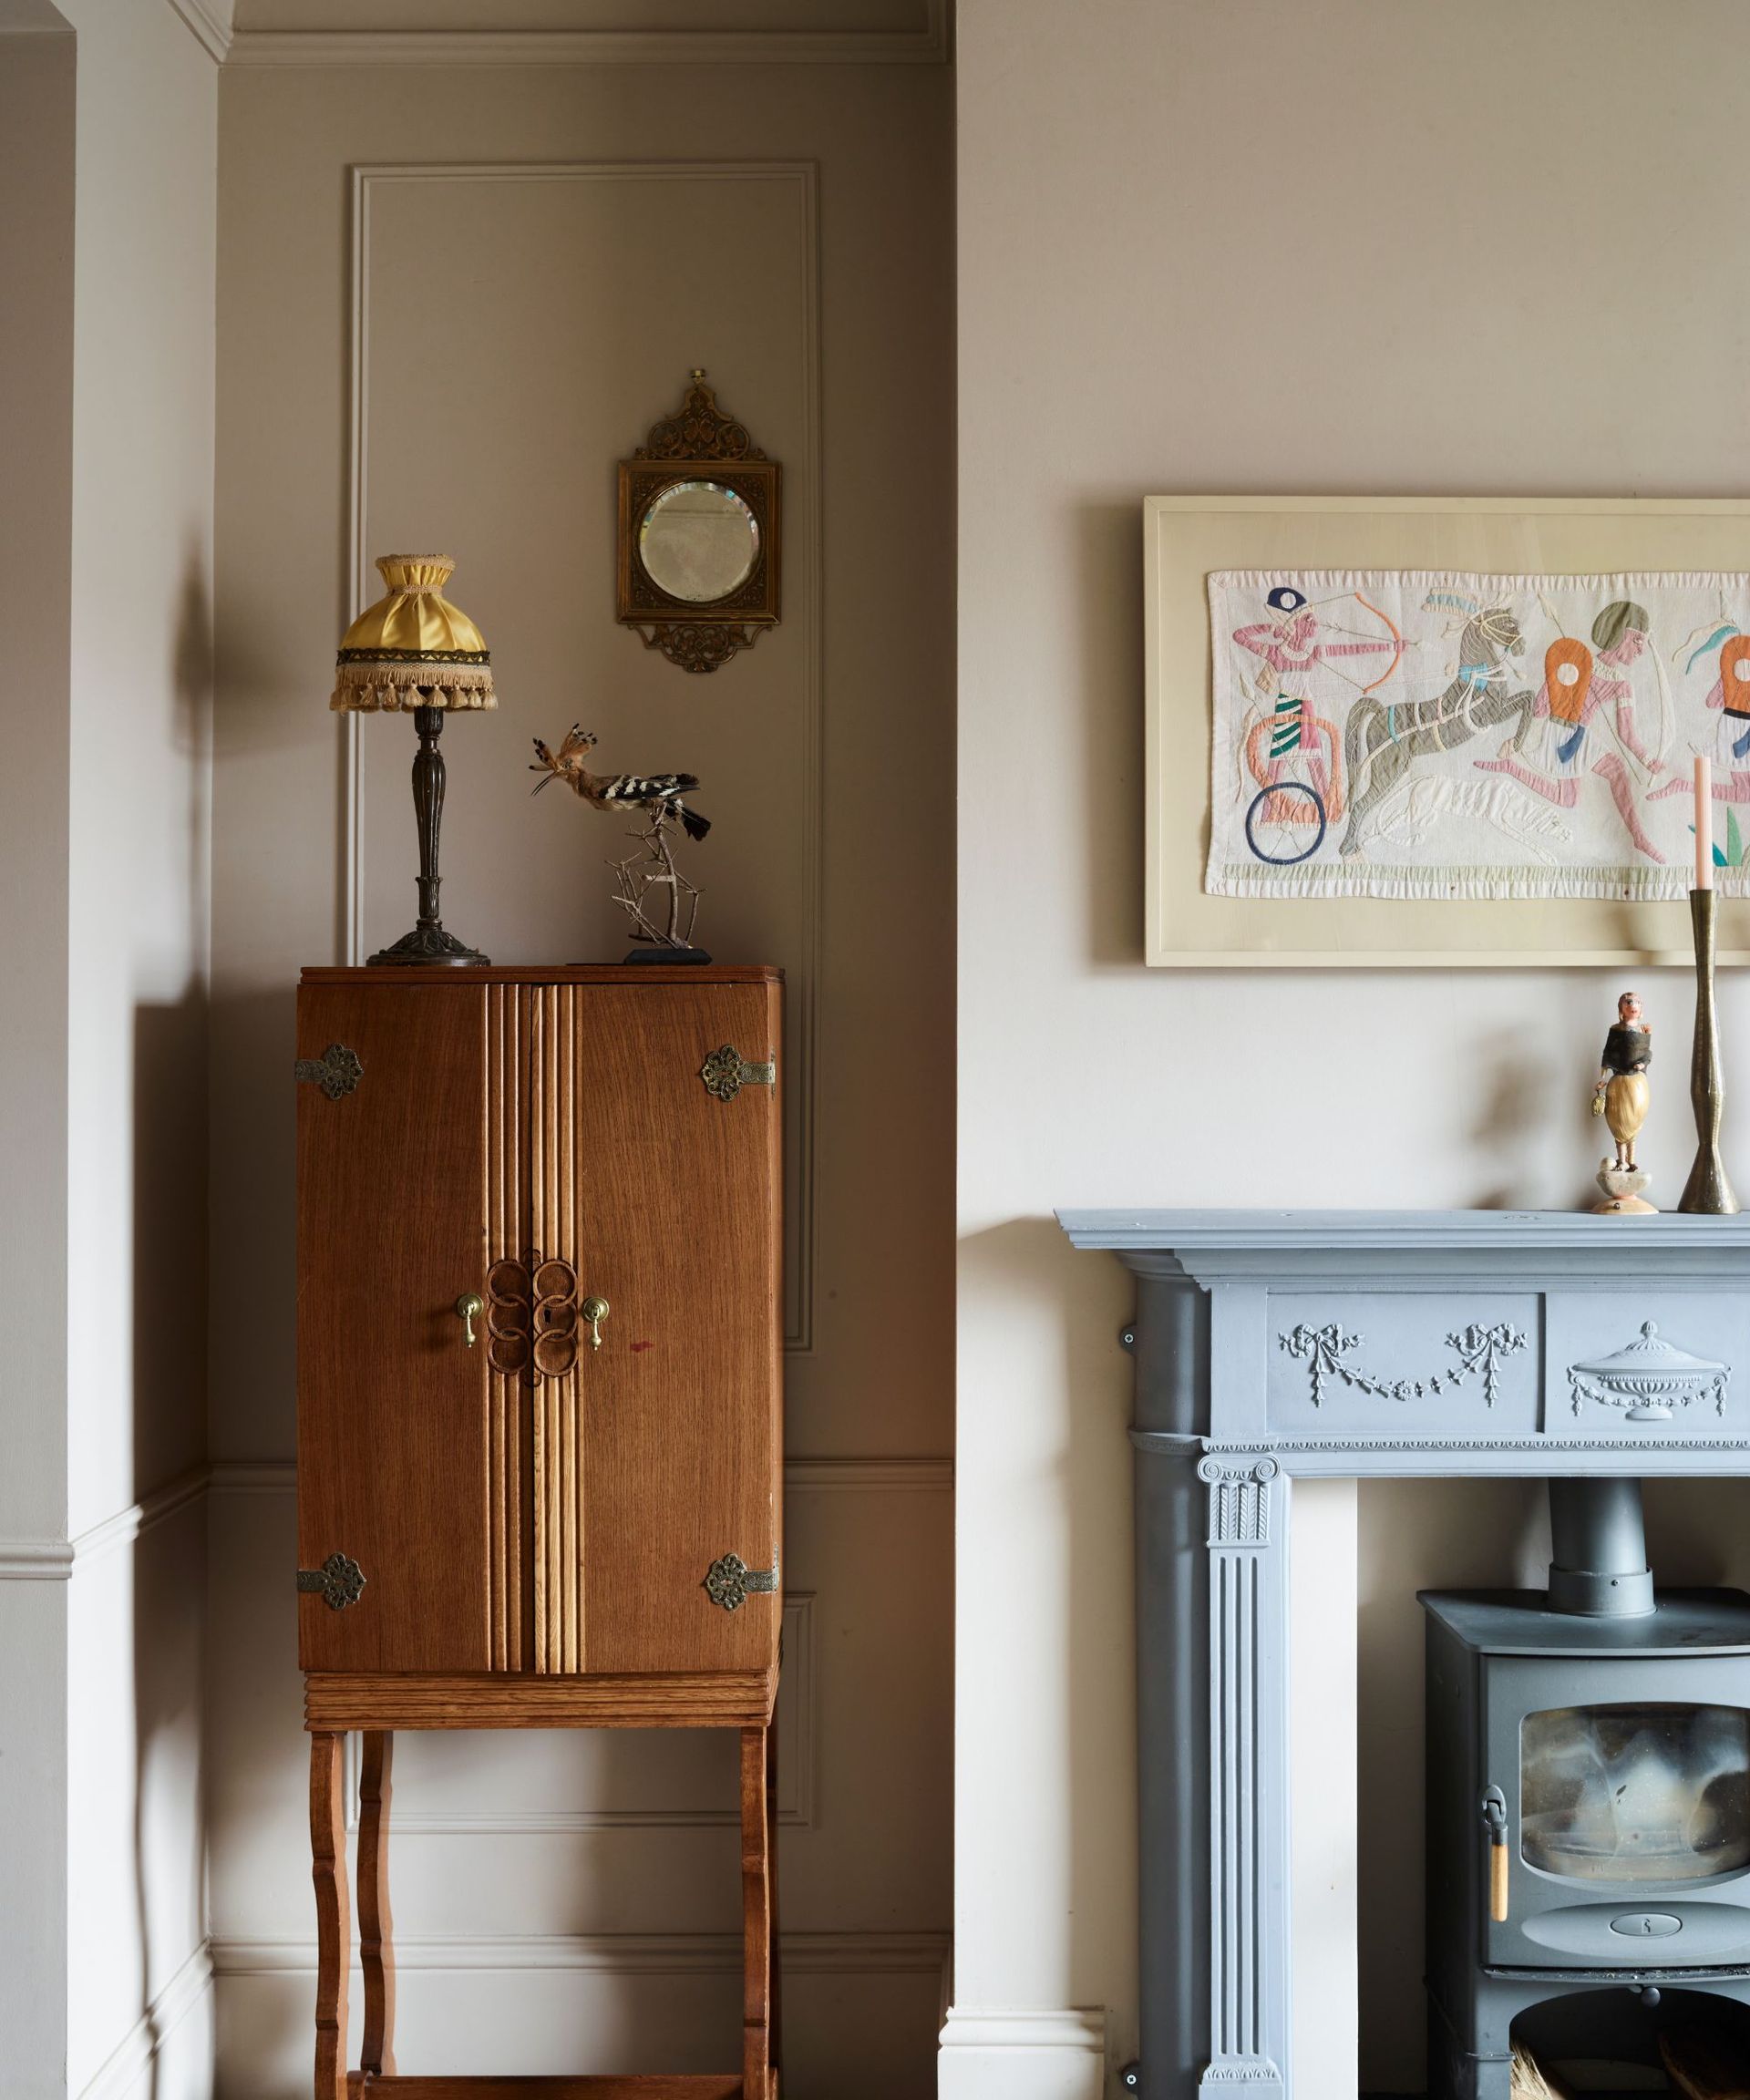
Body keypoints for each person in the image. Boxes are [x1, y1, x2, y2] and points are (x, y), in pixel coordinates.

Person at [1592, 991, 1652, 1171]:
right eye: (1628, 1002)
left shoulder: (1643, 1030)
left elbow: (1647, 1053)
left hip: (1637, 1084)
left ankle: (1631, 1161)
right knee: (1619, 1124)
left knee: (1633, 1124)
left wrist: (1642, 1064)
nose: (1633, 1005)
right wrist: (1603, 1077)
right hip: (1618, 1083)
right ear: (1621, 1008)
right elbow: (1609, 1052)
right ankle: (1621, 1161)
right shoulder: (1616, 1030)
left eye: (1637, 1002)